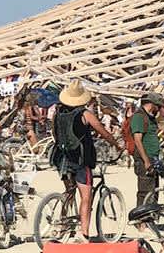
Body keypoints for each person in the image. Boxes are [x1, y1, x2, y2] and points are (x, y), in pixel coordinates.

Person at [51, 82, 123, 240]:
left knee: (69, 193)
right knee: (86, 197)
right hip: (80, 160)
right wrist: (116, 144)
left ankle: (63, 224)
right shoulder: (85, 114)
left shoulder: (57, 113)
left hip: (62, 158)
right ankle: (84, 233)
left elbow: (55, 134)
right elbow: (102, 132)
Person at [129, 91, 164, 210]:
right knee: (145, 191)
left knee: (153, 190)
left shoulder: (150, 117)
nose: (159, 109)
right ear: (152, 104)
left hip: (153, 157)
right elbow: (138, 140)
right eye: (158, 106)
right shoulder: (139, 116)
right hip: (145, 158)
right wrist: (146, 161)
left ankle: (151, 218)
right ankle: (142, 221)